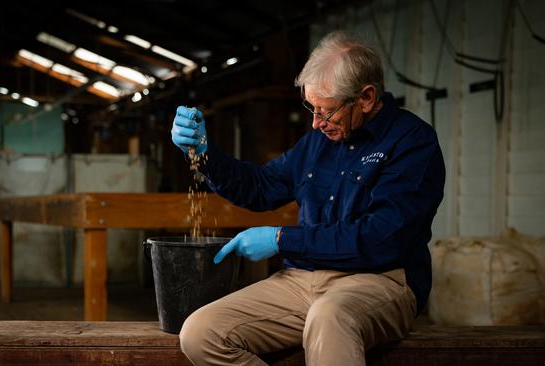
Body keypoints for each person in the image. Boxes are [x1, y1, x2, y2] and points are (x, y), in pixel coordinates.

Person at [170, 31, 445, 366]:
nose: (316, 123)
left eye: (326, 111)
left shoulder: (412, 142)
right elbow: (259, 186)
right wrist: (203, 152)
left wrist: (282, 239)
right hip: (301, 280)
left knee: (329, 317)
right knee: (200, 333)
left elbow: (380, 239)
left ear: (367, 97)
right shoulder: (316, 143)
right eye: (311, 108)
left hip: (381, 280)